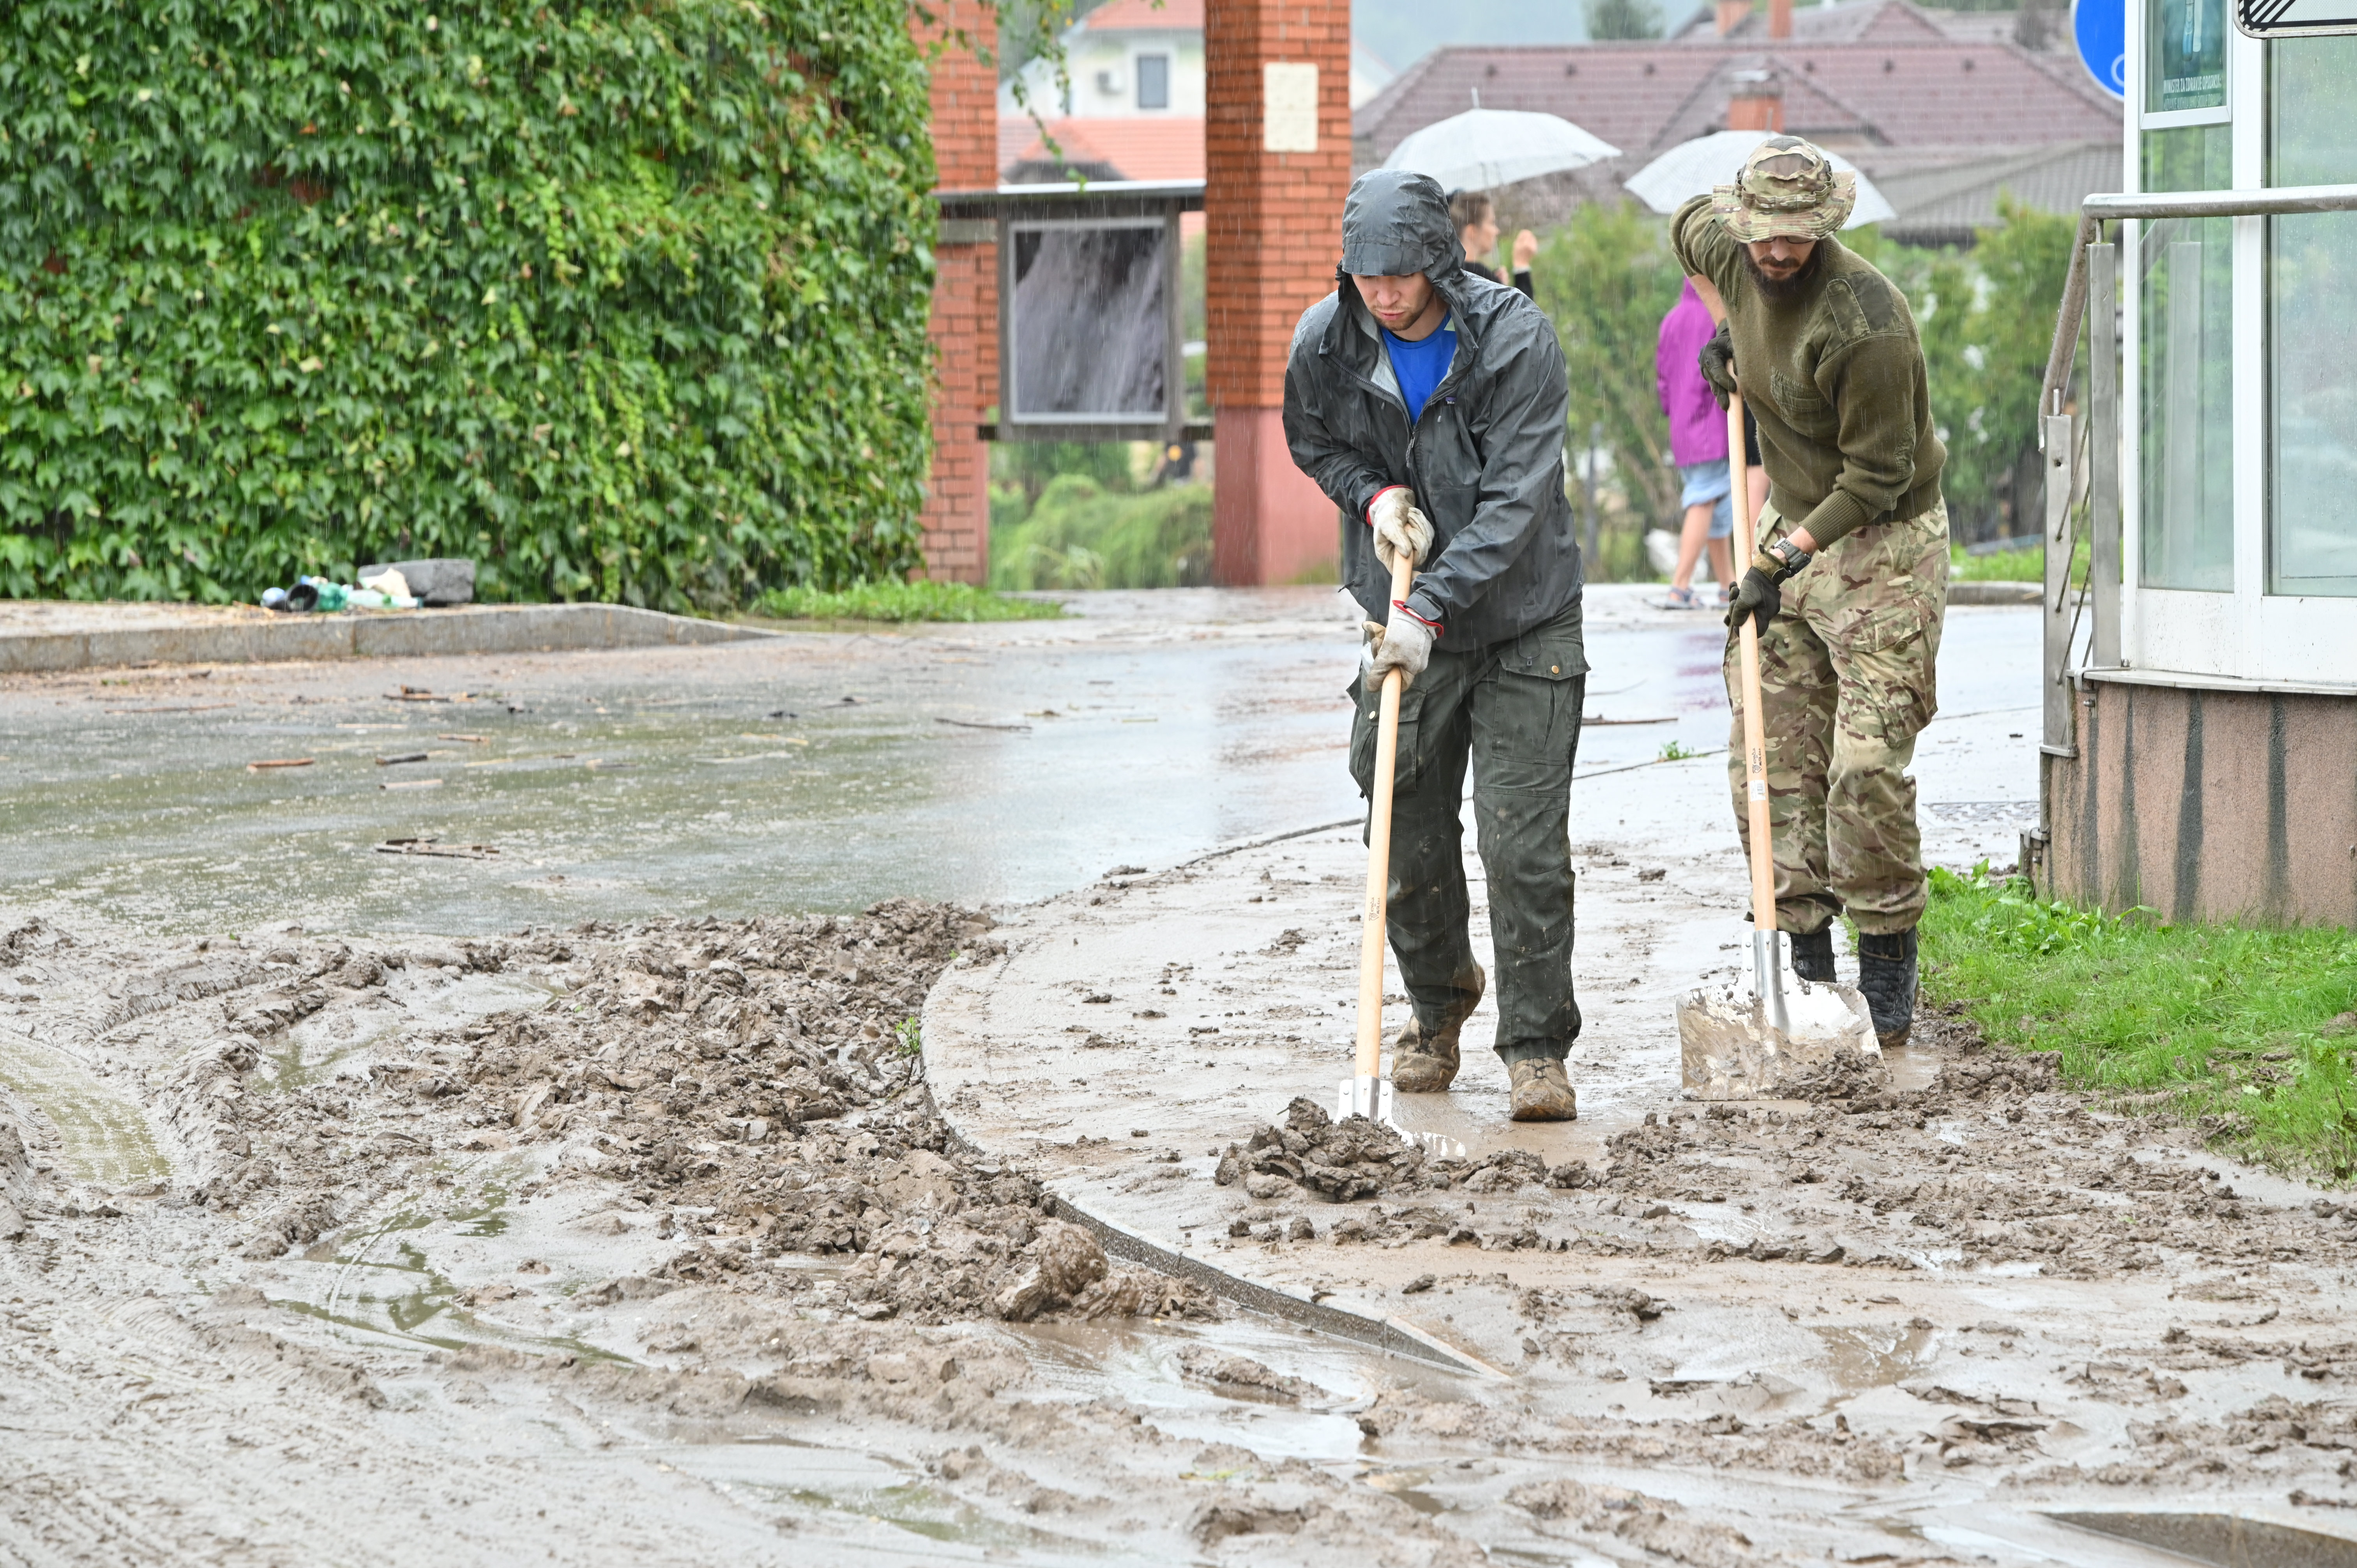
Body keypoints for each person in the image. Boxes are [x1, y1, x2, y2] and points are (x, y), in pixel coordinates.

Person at [1284, 170, 1586, 1122]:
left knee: (1520, 841)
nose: (1382, 293)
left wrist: (1434, 607)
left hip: (1523, 617)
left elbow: (1515, 506)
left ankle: (1537, 1047)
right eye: (1366, 275)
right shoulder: (1325, 342)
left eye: (1402, 274)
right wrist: (1373, 495)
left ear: (1440, 261)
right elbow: (1313, 441)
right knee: (1403, 823)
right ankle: (1438, 1005)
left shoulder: (1514, 339)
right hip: (1401, 608)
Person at [1671, 135, 1948, 1048]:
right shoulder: (1731, 248)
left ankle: (1887, 963)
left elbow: (1877, 472)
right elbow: (1684, 225)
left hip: (1880, 540)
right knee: (1770, 760)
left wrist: (1774, 560)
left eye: (1797, 237)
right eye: (1764, 237)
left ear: (1824, 228)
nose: (1778, 252)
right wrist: (1724, 329)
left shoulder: (1867, 320)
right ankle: (1808, 971)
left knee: (1862, 767)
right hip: (1790, 526)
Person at [1654, 279, 1736, 609]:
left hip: (1682, 426)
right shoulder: (1717, 319)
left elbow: (1663, 378)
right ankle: (1680, 586)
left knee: (1715, 506)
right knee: (1704, 499)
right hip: (1711, 423)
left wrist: (1673, 409)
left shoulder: (1672, 319)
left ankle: (1726, 584)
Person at [1449, 190, 1537, 301]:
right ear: (1473, 231)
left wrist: (1499, 286)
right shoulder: (1477, 275)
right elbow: (1524, 315)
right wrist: (1521, 266)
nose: (1497, 231)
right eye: (1492, 223)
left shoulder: (1451, 272)